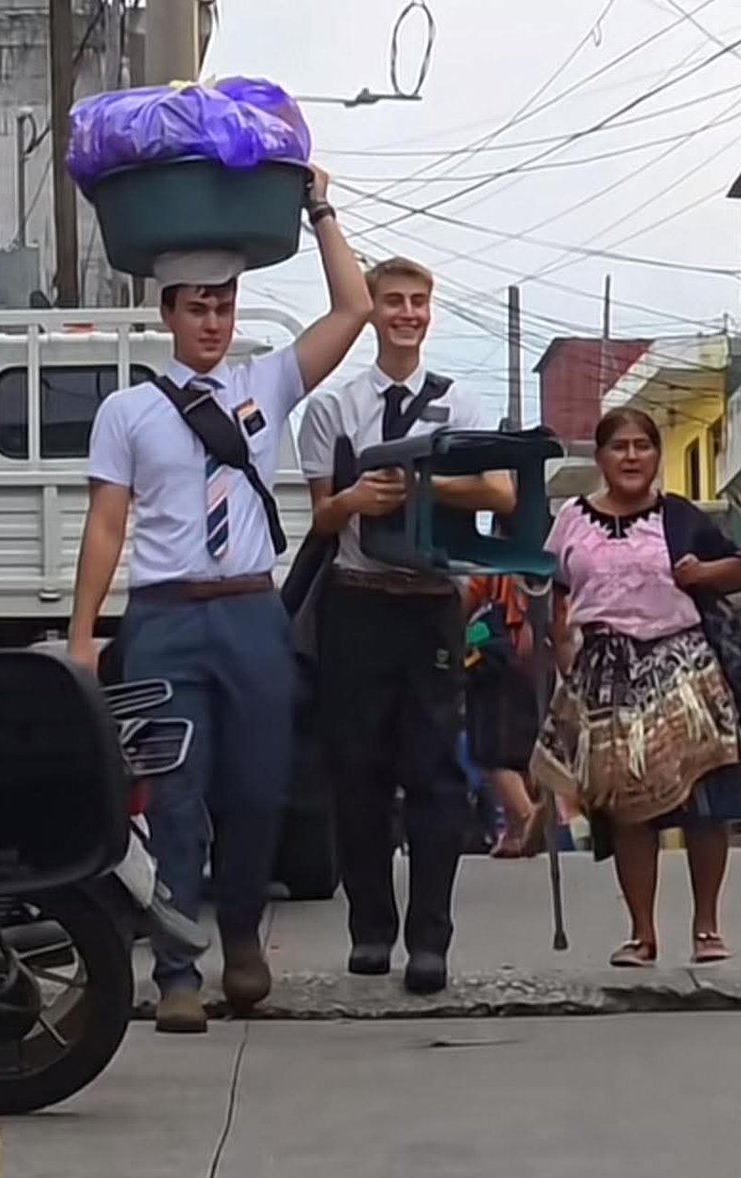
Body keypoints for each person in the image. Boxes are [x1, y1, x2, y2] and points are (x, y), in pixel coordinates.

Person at [67, 167, 373, 1033]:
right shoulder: (128, 411)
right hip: (165, 618)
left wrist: (320, 209)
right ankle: (176, 971)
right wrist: (82, 633)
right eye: (198, 307)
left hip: (250, 614)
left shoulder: (263, 385)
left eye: (224, 307)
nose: (212, 322)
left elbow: (353, 309)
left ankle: (241, 937)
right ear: (169, 313)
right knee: (173, 798)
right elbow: (106, 524)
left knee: (257, 789)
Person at [297, 256, 516, 995]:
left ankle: (430, 940)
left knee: (434, 772)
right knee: (356, 771)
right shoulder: (334, 407)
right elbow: (322, 515)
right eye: (394, 301)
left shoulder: (462, 402)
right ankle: (370, 930)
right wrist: (357, 499)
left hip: (431, 604)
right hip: (356, 599)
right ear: (374, 311)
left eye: (418, 302)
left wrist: (423, 484)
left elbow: (500, 492)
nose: (407, 314)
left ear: (431, 311)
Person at [531, 406, 741, 968]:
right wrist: (560, 649)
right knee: (627, 807)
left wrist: (702, 573)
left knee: (704, 798)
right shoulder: (571, 521)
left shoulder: (680, 516)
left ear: (655, 456)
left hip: (685, 666)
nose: (631, 456)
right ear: (601, 457)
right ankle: (642, 933)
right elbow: (551, 591)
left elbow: (736, 567)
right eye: (619, 446)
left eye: (642, 446)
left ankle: (707, 926)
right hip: (607, 673)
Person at [463, 567, 546, 858]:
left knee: (492, 753)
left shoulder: (497, 563)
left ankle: (525, 815)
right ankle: (514, 832)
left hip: (499, 656)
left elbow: (470, 592)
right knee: (520, 751)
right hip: (534, 660)